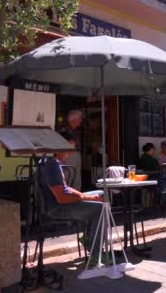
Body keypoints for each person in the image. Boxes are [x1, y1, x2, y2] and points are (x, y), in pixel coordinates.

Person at [39, 131, 103, 260]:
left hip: (59, 203)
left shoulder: (50, 161)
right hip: (56, 208)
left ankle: (88, 237)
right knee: (100, 208)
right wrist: (87, 198)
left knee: (100, 193)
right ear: (59, 146)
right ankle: (96, 254)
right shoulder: (52, 165)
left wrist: (86, 196)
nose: (71, 152)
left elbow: (65, 188)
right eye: (69, 148)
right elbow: (62, 197)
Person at [57, 110, 84, 191]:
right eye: (80, 118)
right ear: (74, 119)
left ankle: (76, 195)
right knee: (69, 175)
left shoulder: (74, 129)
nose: (81, 120)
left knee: (76, 177)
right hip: (68, 156)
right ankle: (68, 194)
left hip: (75, 155)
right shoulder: (64, 129)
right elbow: (63, 143)